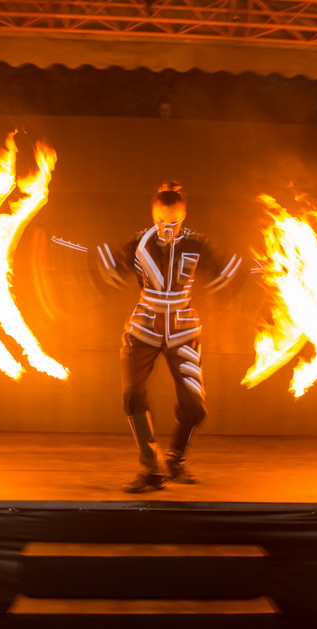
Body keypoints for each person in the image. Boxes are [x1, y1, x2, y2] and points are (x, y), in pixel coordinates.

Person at [96, 181, 242, 492]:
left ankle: (175, 459)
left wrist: (233, 281)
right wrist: (105, 272)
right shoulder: (138, 243)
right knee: (132, 395)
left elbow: (228, 271)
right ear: (153, 215)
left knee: (194, 405)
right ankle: (151, 469)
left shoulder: (197, 244)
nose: (167, 229)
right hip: (143, 330)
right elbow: (110, 270)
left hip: (183, 331)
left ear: (184, 216)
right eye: (161, 221)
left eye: (173, 222)